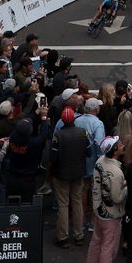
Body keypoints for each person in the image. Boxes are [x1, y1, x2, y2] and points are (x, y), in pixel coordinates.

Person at [85, 136, 126, 263]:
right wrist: (126, 188)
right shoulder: (116, 171)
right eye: (120, 144)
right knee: (109, 247)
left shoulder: (100, 161)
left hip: (98, 209)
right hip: (111, 215)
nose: (122, 145)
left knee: (96, 240)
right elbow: (117, 197)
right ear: (115, 150)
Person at [47, 106, 90, 247]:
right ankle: (79, 235)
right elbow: (89, 152)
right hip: (78, 172)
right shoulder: (83, 133)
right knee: (77, 203)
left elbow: (52, 156)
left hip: (62, 174)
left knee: (63, 204)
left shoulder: (58, 136)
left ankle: (63, 237)